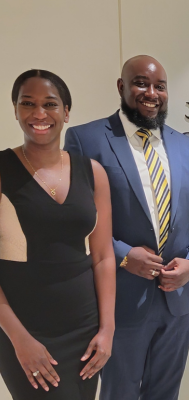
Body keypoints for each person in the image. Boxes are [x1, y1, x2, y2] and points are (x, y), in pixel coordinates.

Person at [64, 55, 189, 400]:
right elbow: (75, 218)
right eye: (141, 83)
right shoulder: (85, 140)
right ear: (122, 87)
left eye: (160, 86)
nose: (151, 92)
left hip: (178, 304)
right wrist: (122, 254)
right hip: (118, 302)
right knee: (118, 393)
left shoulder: (186, 146)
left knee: (166, 394)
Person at [0, 70, 115, 399]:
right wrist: (19, 339)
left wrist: (107, 329)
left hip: (85, 330)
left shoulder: (92, 173)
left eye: (50, 104)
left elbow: (104, 257)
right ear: (16, 109)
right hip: (23, 330)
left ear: (66, 112)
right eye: (28, 103)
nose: (39, 114)